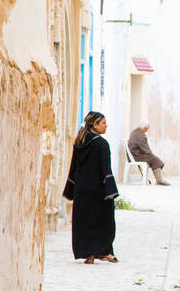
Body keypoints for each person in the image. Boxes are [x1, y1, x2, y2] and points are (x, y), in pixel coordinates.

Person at [63, 111, 119, 264]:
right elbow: (106, 169)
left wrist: (71, 188)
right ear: (95, 125)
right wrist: (111, 191)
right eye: (103, 123)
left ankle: (89, 254)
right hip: (98, 190)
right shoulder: (101, 144)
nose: (106, 125)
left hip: (81, 190)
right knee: (104, 221)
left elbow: (73, 167)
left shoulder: (79, 142)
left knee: (84, 221)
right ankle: (105, 252)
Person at [127, 119, 170, 185]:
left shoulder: (136, 132)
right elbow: (145, 149)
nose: (147, 130)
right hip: (136, 156)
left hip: (134, 155)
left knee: (154, 158)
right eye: (147, 128)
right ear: (145, 128)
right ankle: (160, 181)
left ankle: (159, 180)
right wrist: (151, 155)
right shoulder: (139, 134)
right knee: (154, 159)